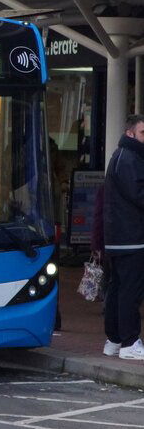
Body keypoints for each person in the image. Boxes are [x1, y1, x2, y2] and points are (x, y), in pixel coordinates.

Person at [101, 115, 144, 360]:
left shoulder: (119, 157)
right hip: (131, 237)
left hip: (118, 237)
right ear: (130, 133)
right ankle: (129, 342)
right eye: (142, 133)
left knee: (117, 289)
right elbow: (138, 194)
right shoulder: (130, 159)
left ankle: (115, 339)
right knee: (130, 291)